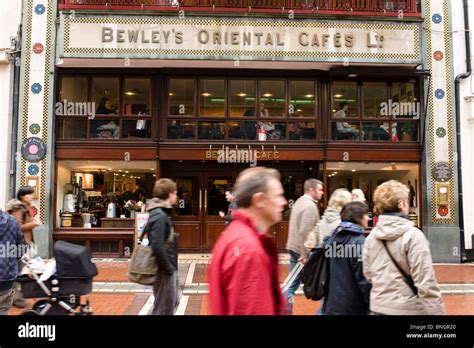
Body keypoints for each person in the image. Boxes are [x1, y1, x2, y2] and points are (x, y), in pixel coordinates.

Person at [208, 167, 287, 315]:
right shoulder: (248, 249)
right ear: (259, 200)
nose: (283, 202)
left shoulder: (234, 235)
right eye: (278, 196)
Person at [363, 180, 445, 315]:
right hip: (408, 308)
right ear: (401, 204)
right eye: (407, 200)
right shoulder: (414, 236)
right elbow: (426, 282)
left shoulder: (372, 237)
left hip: (378, 307)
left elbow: (367, 272)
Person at [322, 202, 372, 315]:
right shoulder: (359, 242)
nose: (368, 218)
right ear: (358, 217)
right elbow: (363, 278)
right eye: (366, 215)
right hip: (352, 306)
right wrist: (370, 303)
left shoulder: (332, 239)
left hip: (332, 304)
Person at [285, 179, 324, 315]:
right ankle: (285, 311)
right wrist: (305, 254)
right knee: (292, 286)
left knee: (291, 284)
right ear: (311, 190)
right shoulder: (310, 206)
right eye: (319, 189)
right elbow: (305, 231)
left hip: (294, 247)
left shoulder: (299, 202)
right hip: (300, 251)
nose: (322, 192)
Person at [146, 178, 179, 315]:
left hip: (166, 267)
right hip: (164, 270)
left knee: (169, 303)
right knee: (164, 308)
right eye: (175, 192)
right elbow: (157, 245)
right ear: (170, 194)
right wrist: (169, 268)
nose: (176, 196)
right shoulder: (160, 215)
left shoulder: (160, 213)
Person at [0, 209, 27, 315]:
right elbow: (21, 248)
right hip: (6, 275)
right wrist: (10, 260)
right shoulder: (12, 221)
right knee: (3, 309)